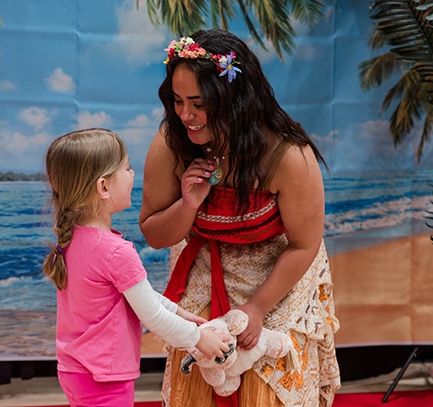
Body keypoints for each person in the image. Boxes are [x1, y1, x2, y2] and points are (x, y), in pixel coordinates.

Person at [139, 29, 341, 407]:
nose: (185, 115)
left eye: (198, 103)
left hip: (279, 270)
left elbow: (304, 244)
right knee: (197, 371)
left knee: (268, 386)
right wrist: (187, 205)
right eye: (177, 101)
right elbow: (153, 232)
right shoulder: (171, 141)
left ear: (233, 98)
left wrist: (258, 308)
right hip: (206, 260)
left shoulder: (288, 156)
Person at [42, 128, 231, 407]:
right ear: (103, 187)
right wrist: (198, 338)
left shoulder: (75, 239)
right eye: (127, 168)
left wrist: (180, 313)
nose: (132, 175)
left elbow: (137, 297)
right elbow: (151, 315)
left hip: (75, 370)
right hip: (105, 377)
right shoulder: (116, 252)